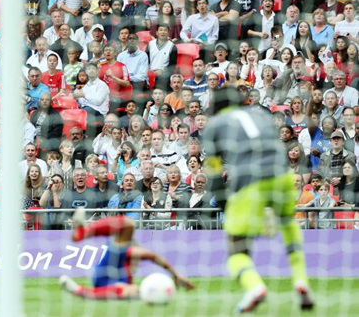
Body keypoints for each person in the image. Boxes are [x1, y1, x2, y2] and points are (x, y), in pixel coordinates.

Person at [202, 88, 314, 312]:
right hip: (281, 175)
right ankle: (301, 280)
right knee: (288, 223)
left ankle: (255, 287)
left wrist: (227, 206)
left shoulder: (214, 127)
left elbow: (214, 176)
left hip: (248, 181)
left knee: (237, 249)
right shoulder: (261, 114)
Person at [59, 206, 194, 299]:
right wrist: (176, 275)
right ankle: (84, 232)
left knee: (132, 291)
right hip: (105, 273)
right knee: (129, 224)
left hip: (112, 284)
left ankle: (79, 291)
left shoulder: (128, 274)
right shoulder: (128, 253)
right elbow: (152, 256)